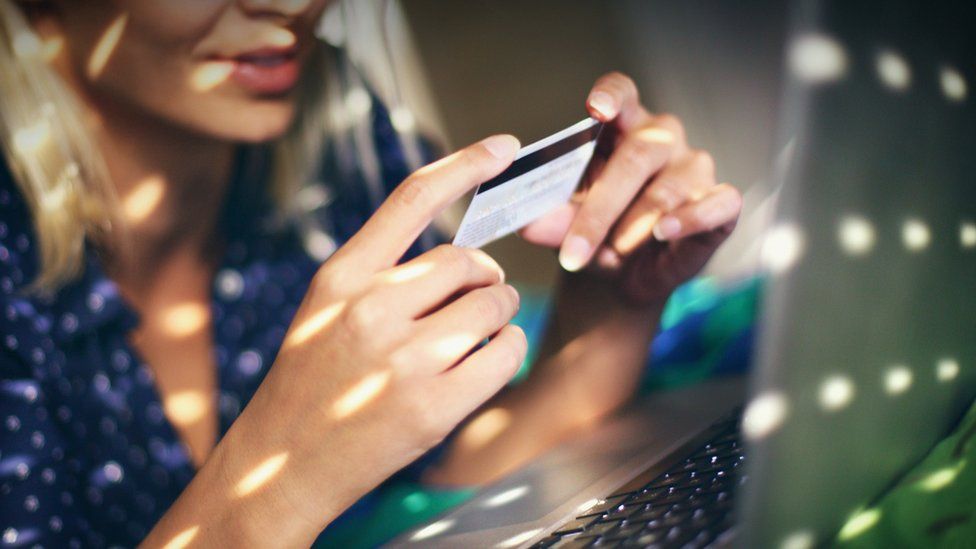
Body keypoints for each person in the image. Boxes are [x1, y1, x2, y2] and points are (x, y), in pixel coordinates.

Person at [0, 0, 742, 547]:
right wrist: (280, 479)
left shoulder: (336, 136)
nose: (293, 7)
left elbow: (447, 474)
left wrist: (613, 303)